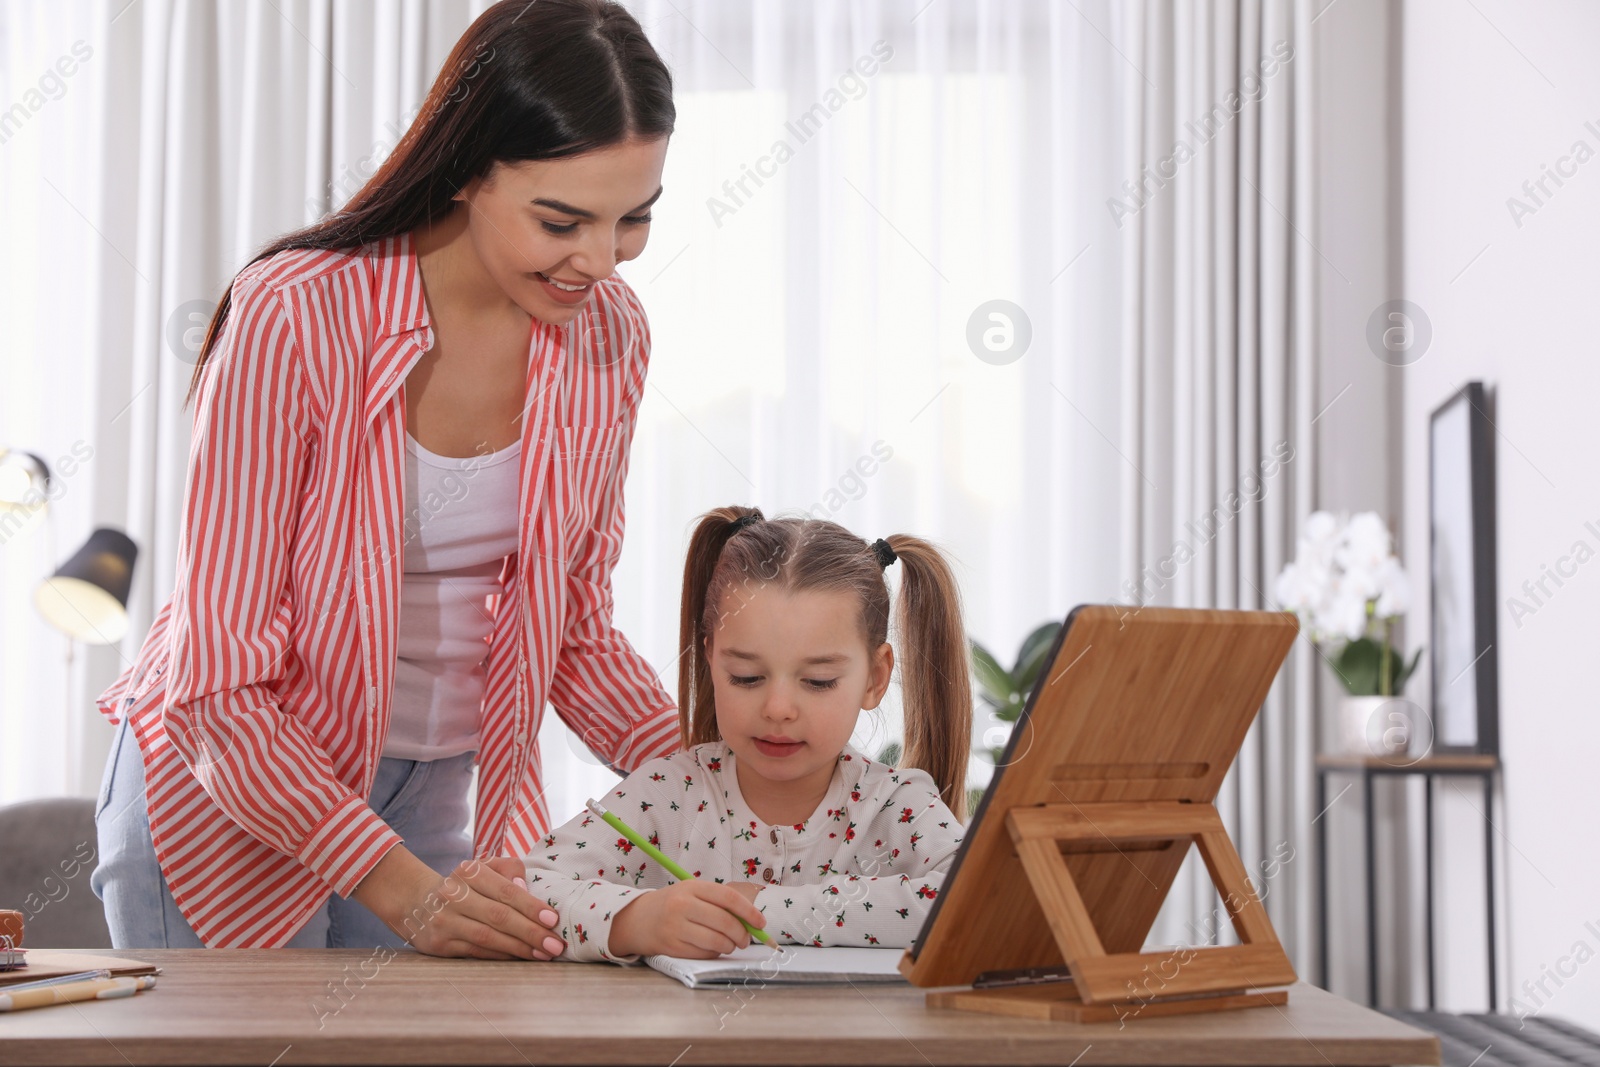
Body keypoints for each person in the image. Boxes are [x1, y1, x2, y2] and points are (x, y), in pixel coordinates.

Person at [90, 0, 679, 959]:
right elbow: (217, 683)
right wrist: (405, 890)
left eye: (634, 220)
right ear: (466, 170)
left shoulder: (609, 336)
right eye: (562, 220)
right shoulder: (298, 317)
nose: (600, 261)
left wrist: (726, 785)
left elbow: (572, 626)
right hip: (229, 787)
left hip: (433, 788)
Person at [521, 507, 973, 962]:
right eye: (745, 676)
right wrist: (634, 919)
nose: (778, 710)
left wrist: (760, 908)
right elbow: (532, 883)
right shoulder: (666, 794)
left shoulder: (895, 806)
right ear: (711, 661)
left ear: (875, 678)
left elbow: (970, 900)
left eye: (818, 682)